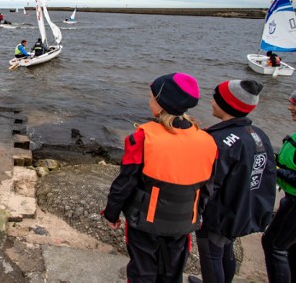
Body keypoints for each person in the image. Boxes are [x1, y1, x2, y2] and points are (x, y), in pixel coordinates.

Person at [102, 73, 218, 282]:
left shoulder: (143, 137)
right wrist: (196, 215)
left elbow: (126, 181)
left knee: (142, 270)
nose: (149, 101)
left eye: (151, 97)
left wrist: (112, 213)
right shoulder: (207, 141)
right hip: (183, 221)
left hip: (146, 221)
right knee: (172, 272)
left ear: (161, 103)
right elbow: (208, 187)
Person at [193, 80, 276, 283]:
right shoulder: (258, 134)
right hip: (242, 209)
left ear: (226, 104)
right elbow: (266, 174)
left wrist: (196, 212)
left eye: (215, 98)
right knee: (225, 249)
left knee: (211, 254)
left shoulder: (220, 140)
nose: (211, 102)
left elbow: (208, 183)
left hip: (220, 212)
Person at [262, 87, 296, 282]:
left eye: (295, 105)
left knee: (274, 245)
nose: (289, 108)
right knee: (295, 247)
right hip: (293, 200)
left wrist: (275, 169)